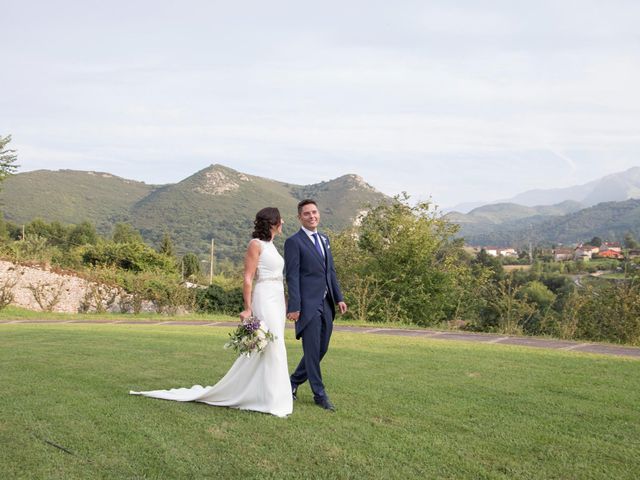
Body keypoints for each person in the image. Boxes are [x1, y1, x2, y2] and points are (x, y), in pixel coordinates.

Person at [130, 208, 293, 418]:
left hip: (277, 298)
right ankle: (270, 399)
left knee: (272, 345)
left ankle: (265, 394)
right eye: (280, 219)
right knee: (273, 344)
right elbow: (247, 278)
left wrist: (285, 302)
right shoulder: (256, 244)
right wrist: (248, 307)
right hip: (264, 297)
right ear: (273, 222)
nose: (283, 222)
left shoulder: (271, 246)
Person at [285, 199, 347, 411]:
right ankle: (319, 394)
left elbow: (330, 271)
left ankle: (292, 382)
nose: (312, 216)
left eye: (314, 212)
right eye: (307, 214)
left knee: (322, 348)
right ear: (299, 217)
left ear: (318, 214)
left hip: (327, 303)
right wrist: (294, 306)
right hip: (307, 305)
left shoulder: (324, 239)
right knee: (311, 350)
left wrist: (339, 297)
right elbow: (292, 276)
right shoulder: (294, 242)